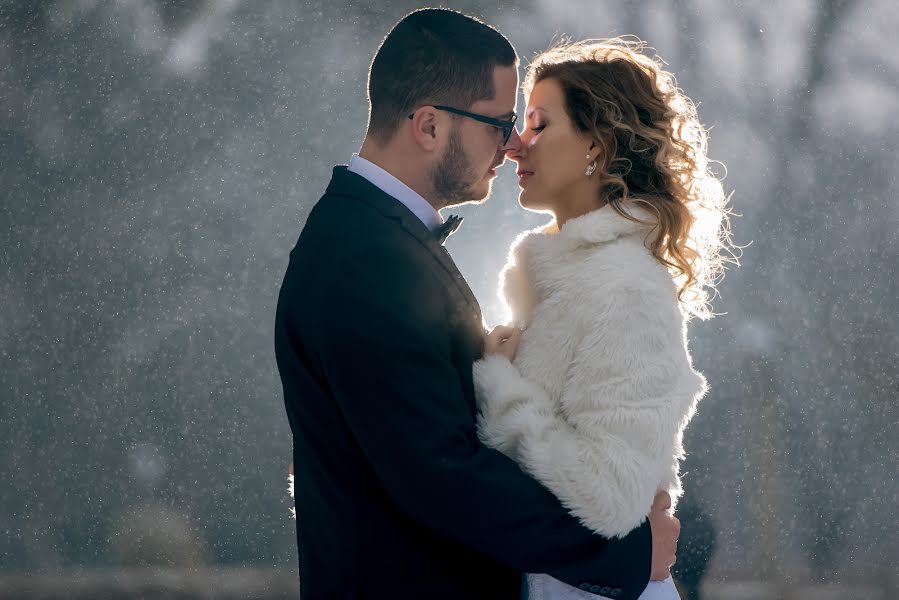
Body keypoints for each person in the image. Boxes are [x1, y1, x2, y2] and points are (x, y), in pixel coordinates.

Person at [274, 10, 679, 600]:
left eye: (530, 124)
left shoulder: (378, 241)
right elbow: (440, 473)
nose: (512, 144)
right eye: (502, 122)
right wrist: (629, 554)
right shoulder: (366, 255)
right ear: (430, 127)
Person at [473, 38, 733, 600]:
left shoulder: (624, 287)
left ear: (597, 143)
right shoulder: (551, 279)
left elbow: (609, 495)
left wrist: (500, 388)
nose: (516, 144)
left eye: (539, 125)